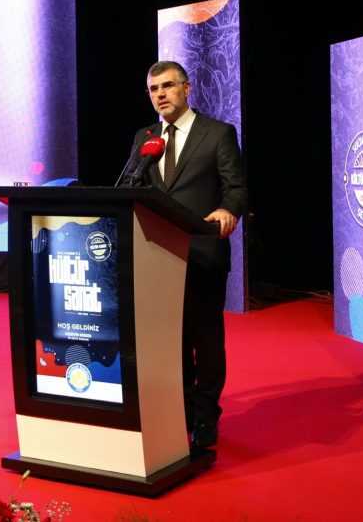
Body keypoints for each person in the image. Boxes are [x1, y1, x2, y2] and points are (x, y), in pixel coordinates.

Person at [126, 60, 247, 448]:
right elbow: (131, 187)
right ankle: (181, 410)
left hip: (202, 252)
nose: (160, 94)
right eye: (153, 89)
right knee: (170, 340)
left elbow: (236, 187)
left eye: (167, 86)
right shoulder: (145, 137)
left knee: (205, 339)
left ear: (186, 88)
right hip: (156, 254)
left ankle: (206, 414)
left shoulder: (218, 133)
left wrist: (228, 210)